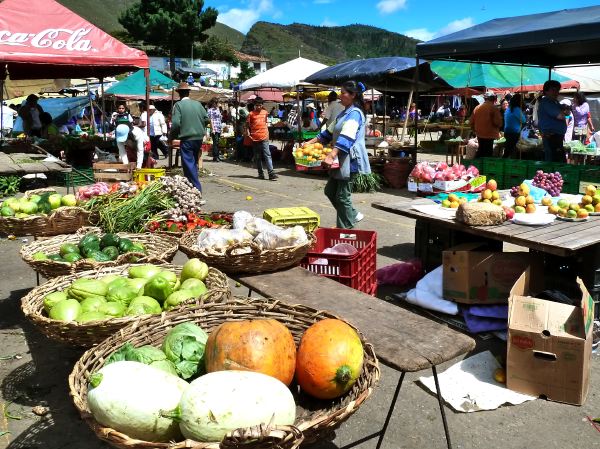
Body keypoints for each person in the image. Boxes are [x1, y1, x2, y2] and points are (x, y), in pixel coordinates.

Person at [302, 80, 371, 229]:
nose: (340, 95)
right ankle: (352, 214)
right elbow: (328, 133)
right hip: (340, 158)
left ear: (353, 95)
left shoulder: (355, 114)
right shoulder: (343, 113)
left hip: (350, 159)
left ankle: (345, 229)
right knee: (330, 191)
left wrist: (331, 155)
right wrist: (310, 142)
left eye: (343, 92)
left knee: (342, 196)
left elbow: (347, 136)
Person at [169, 82, 208, 192]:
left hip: (187, 138)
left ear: (179, 94)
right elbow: (206, 119)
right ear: (188, 93)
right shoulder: (198, 104)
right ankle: (191, 186)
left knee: (188, 164)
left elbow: (176, 124)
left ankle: (196, 188)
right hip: (198, 138)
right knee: (193, 162)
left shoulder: (178, 105)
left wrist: (172, 137)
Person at [247, 97, 277, 180]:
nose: (258, 107)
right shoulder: (251, 114)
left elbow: (266, 123)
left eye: (260, 105)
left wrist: (267, 134)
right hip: (255, 138)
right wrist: (248, 134)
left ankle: (271, 173)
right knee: (258, 157)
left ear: (262, 105)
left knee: (268, 155)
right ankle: (260, 174)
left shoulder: (265, 113)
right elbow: (247, 126)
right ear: (254, 105)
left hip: (264, 137)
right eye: (256, 105)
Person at [537, 80, 566, 162]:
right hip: (551, 136)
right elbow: (560, 116)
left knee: (557, 159)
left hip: (555, 136)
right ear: (546, 91)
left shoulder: (555, 102)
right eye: (553, 90)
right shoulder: (547, 102)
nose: (556, 92)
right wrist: (565, 112)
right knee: (554, 160)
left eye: (557, 90)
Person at [471, 92, 502, 157]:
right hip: (489, 135)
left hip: (479, 133)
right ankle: (484, 165)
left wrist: (474, 130)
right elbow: (498, 123)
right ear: (494, 99)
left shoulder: (477, 107)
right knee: (488, 153)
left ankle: (477, 165)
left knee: (481, 150)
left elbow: (471, 121)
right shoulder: (494, 108)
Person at [503, 94, 526, 158]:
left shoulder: (508, 108)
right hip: (514, 133)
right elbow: (524, 120)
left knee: (507, 150)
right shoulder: (516, 109)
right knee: (512, 152)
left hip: (507, 132)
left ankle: (505, 162)